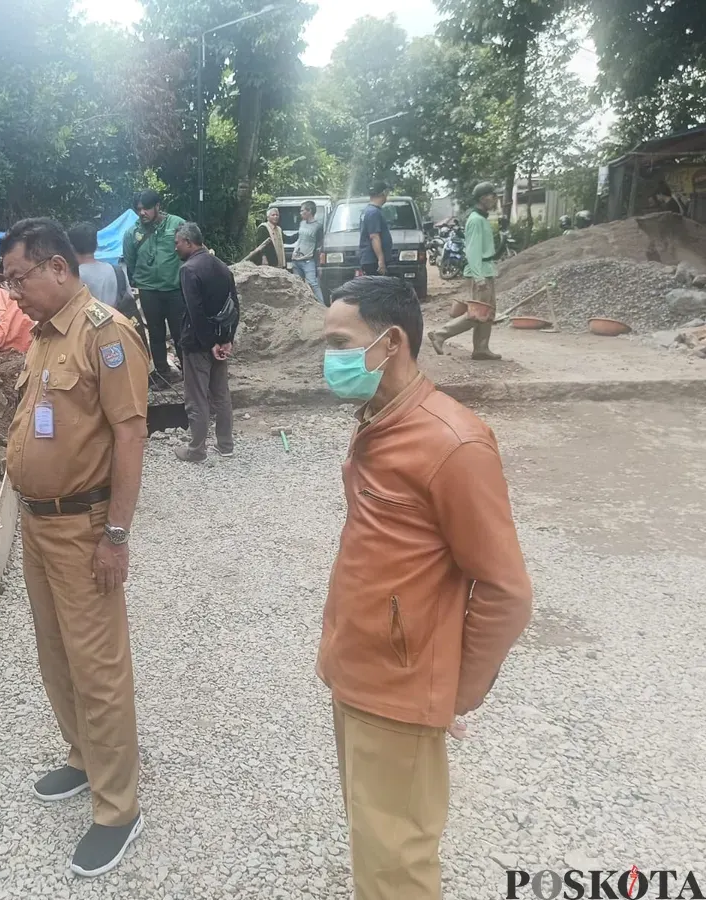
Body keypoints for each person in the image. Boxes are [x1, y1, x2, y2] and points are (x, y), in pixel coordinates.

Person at [317, 275, 533, 900]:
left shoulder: (453, 442)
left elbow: (506, 588)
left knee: (397, 865)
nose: (328, 358)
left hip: (400, 690)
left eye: (339, 341)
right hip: (358, 671)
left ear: (390, 343)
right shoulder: (381, 418)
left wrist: (454, 692)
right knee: (373, 835)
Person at [1, 218, 149, 878]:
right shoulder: (44, 337)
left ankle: (118, 807)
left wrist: (116, 535)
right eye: (7, 282)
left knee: (98, 666)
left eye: (18, 279)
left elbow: (130, 437)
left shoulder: (105, 335)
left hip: (84, 528)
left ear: (58, 268)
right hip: (37, 525)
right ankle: (83, 758)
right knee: (55, 651)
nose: (12, 294)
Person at [172, 222, 237, 462]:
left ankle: (196, 450)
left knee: (197, 397)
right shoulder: (222, 267)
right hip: (220, 340)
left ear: (189, 242)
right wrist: (226, 340)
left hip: (198, 343)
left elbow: (195, 312)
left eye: (177, 243)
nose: (175, 247)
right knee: (221, 394)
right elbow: (234, 307)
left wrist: (209, 342)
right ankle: (226, 444)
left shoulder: (189, 270)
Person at [428, 182, 502, 361]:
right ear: (483, 197)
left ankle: (481, 348)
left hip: (486, 269)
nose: (495, 199)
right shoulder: (476, 220)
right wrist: (479, 276)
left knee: (487, 312)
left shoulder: (482, 219)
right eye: (492, 196)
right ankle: (440, 334)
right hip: (480, 270)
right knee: (478, 313)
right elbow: (473, 250)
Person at [124, 189, 186, 384]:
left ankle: (190, 373)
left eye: (147, 208)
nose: (142, 213)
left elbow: (188, 252)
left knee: (181, 333)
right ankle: (162, 373)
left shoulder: (177, 224)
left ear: (157, 206)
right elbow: (130, 261)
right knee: (156, 333)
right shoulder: (132, 232)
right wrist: (143, 280)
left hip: (175, 289)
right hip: (149, 290)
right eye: (139, 209)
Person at [69, 221, 149, 355]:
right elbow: (128, 300)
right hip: (116, 336)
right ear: (96, 245)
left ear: (71, 247)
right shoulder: (116, 270)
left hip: (85, 341)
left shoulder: (72, 277)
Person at [291, 200, 325, 303]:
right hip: (296, 259)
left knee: (312, 284)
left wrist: (319, 264)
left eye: (302, 211)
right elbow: (298, 238)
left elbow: (320, 246)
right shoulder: (301, 223)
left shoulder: (318, 226)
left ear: (309, 211)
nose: (300, 213)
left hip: (308, 260)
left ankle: (322, 306)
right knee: (297, 285)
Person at [358, 181, 393, 276]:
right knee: (377, 288)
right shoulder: (374, 212)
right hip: (373, 261)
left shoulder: (368, 211)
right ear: (383, 193)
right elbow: (374, 237)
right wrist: (381, 261)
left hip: (369, 259)